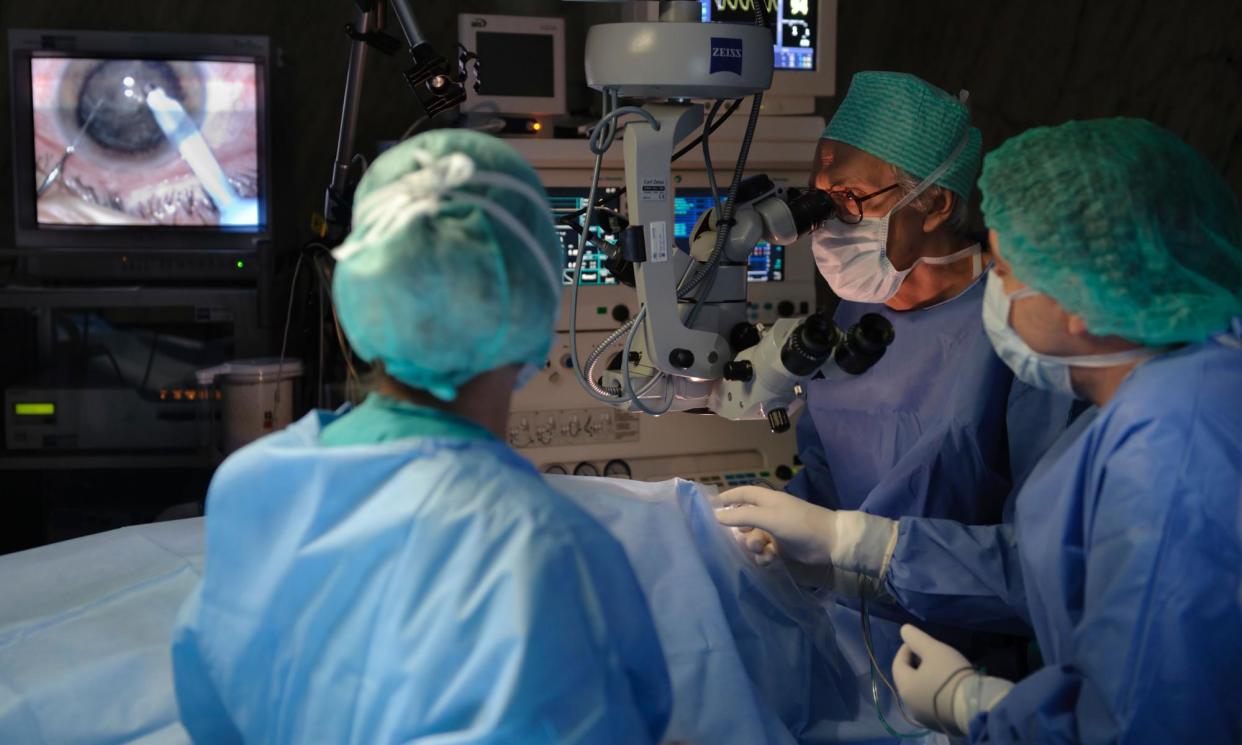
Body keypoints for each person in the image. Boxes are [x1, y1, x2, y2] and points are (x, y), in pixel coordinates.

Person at [719, 117, 1242, 742]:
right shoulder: (1170, 397)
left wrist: (979, 706)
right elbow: (1058, 565)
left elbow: (1161, 719)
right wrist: (845, 546)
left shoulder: (1172, 448)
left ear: (1079, 297)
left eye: (1009, 268)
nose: (994, 282)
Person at [170, 130, 673, 744]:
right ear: (531, 302)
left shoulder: (254, 482)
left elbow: (219, 707)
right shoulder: (546, 550)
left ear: (363, 292)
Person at [784, 70, 1077, 736]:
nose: (830, 221)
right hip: (847, 653)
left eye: (853, 196)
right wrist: (782, 531)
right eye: (821, 198)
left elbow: (1047, 562)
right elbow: (828, 476)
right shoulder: (856, 309)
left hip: (968, 670)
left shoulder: (1018, 331)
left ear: (935, 206)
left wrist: (861, 548)